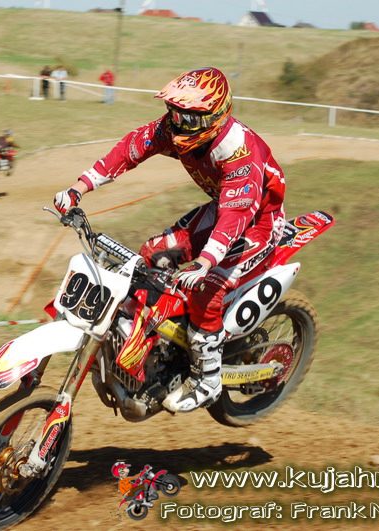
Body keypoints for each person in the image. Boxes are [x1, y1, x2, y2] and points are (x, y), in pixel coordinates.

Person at [53, 67, 286, 414]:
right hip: (221, 209)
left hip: (258, 223)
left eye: (187, 117)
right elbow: (131, 148)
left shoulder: (239, 151)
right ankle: (156, 347)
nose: (177, 124)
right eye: (174, 113)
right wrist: (79, 187)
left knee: (208, 288)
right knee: (153, 255)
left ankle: (208, 379)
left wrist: (205, 262)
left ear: (214, 116)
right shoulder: (175, 129)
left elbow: (237, 212)